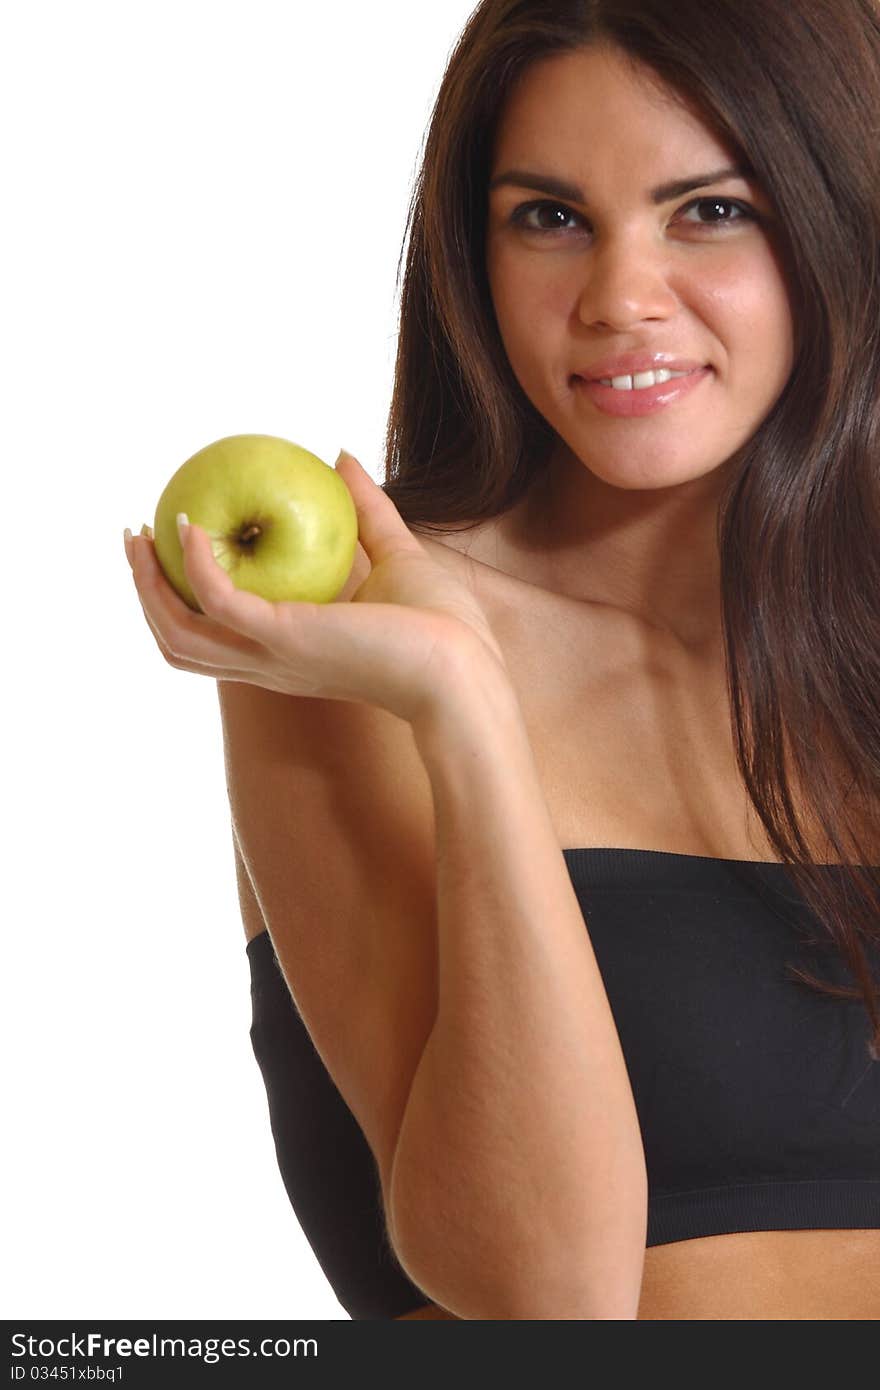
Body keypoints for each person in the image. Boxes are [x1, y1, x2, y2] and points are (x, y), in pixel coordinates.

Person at [124, 0, 880, 1320]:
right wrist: (466, 709)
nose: (619, 301)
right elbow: (541, 1294)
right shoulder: (355, 645)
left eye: (708, 211)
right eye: (550, 217)